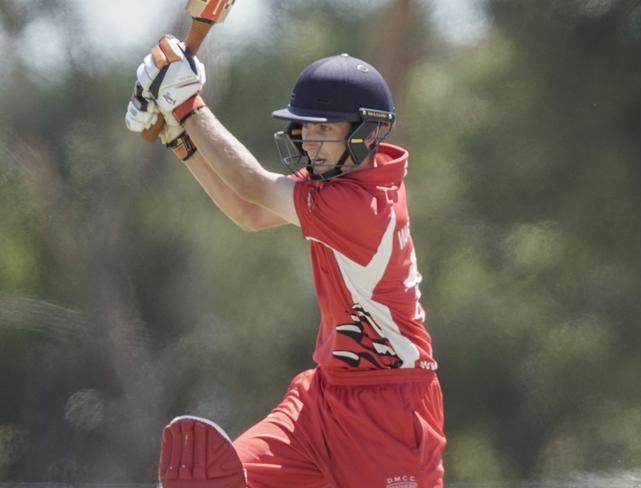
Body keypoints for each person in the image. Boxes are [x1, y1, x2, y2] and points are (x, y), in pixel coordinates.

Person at [126, 35, 446, 488]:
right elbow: (251, 213)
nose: (310, 142)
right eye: (306, 129)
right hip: (323, 397)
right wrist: (179, 139)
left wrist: (186, 106)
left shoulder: (361, 208)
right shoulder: (341, 179)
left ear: (368, 130)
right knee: (220, 479)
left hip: (389, 410)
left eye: (324, 129)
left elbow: (254, 185)